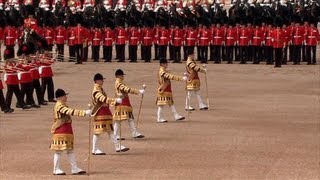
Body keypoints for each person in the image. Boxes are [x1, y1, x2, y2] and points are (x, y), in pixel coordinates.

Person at [50, 88, 91, 175]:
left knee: (70, 150)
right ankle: (56, 169)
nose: (66, 97)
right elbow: (70, 111)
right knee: (58, 151)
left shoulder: (62, 105)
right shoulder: (59, 106)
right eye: (65, 96)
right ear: (60, 97)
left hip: (66, 130)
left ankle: (74, 168)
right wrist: (84, 112)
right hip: (61, 130)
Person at [91, 73, 129, 155]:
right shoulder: (96, 90)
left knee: (110, 130)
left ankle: (117, 146)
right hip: (100, 112)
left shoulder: (100, 89)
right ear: (97, 80)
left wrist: (115, 101)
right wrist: (114, 100)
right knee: (98, 132)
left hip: (104, 111)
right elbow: (102, 99)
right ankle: (94, 149)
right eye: (101, 80)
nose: (103, 81)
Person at [113, 69, 145, 139]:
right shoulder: (119, 83)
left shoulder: (119, 82)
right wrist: (138, 91)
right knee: (120, 120)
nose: (123, 77)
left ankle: (134, 132)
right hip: (122, 102)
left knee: (129, 118)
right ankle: (115, 134)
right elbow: (126, 89)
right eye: (122, 75)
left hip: (125, 102)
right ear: (119, 76)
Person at [156, 58, 187, 123]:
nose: (167, 64)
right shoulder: (162, 72)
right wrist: (181, 78)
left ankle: (176, 115)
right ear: (162, 64)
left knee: (170, 103)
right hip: (164, 89)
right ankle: (159, 117)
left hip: (166, 89)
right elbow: (170, 76)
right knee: (162, 104)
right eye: (165, 63)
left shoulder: (163, 70)